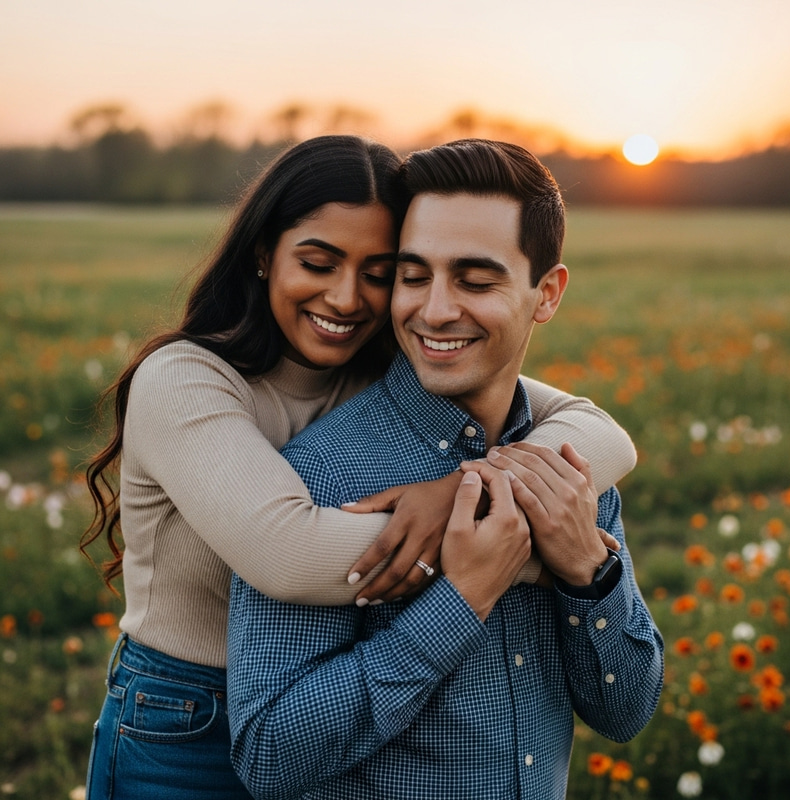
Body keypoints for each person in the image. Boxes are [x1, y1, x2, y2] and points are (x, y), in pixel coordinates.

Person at [80, 135, 635, 799]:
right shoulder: (188, 379)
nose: (346, 299)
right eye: (317, 263)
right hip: (187, 723)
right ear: (264, 254)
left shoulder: (385, 368)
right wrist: (518, 549)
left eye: (378, 272)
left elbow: (600, 433)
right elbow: (289, 555)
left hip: (321, 708)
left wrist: (464, 488)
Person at [228, 139, 664, 800]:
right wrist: (458, 604)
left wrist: (588, 572)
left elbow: (625, 714)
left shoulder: (565, 468)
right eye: (413, 275)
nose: (433, 310)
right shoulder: (322, 477)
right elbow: (268, 753)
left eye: (475, 280)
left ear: (546, 294)